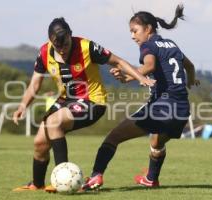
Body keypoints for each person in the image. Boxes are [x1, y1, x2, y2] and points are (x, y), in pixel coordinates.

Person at [12, 17, 155, 192]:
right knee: (40, 142)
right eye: (58, 47)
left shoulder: (87, 47)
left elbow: (118, 61)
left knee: (53, 122)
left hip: (93, 101)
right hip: (66, 100)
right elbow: (35, 83)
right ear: (50, 41)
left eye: (65, 45)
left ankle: (63, 180)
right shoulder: (44, 52)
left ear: (71, 36)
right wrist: (22, 106)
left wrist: (140, 77)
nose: (63, 50)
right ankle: (37, 184)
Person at [83, 4, 199, 190]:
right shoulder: (171, 44)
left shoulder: (148, 45)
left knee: (113, 137)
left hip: (163, 107)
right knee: (156, 142)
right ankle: (151, 178)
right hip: (182, 110)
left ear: (148, 29)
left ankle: (95, 176)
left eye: (135, 30)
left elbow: (149, 65)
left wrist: (128, 75)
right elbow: (190, 67)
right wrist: (190, 81)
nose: (132, 36)